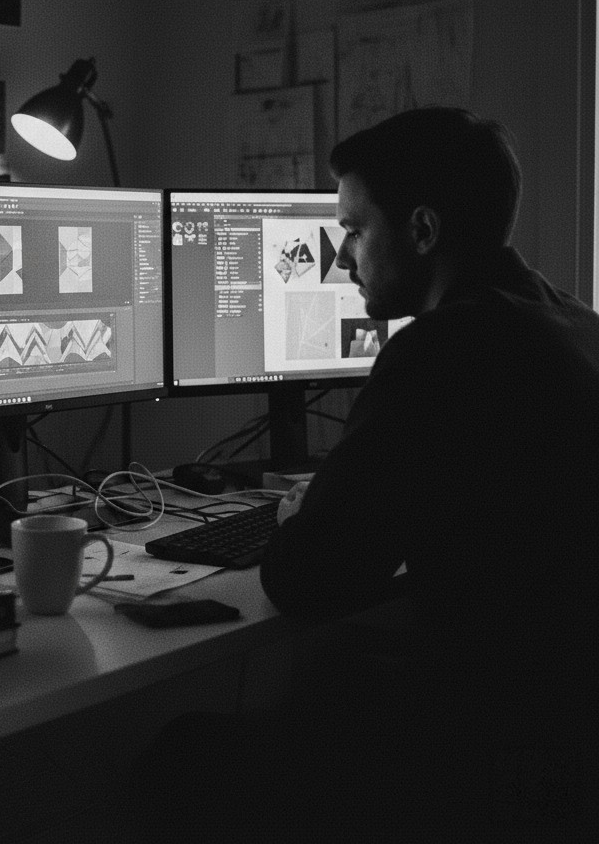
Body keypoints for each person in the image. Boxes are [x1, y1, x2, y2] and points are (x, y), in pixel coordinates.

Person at [138, 108, 598, 842]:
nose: (342, 257)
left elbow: (310, 580)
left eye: (354, 229)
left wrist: (298, 517)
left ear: (421, 231)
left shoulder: (444, 349)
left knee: (184, 751)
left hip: (489, 754)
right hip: (562, 741)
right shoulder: (574, 323)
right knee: (337, 670)